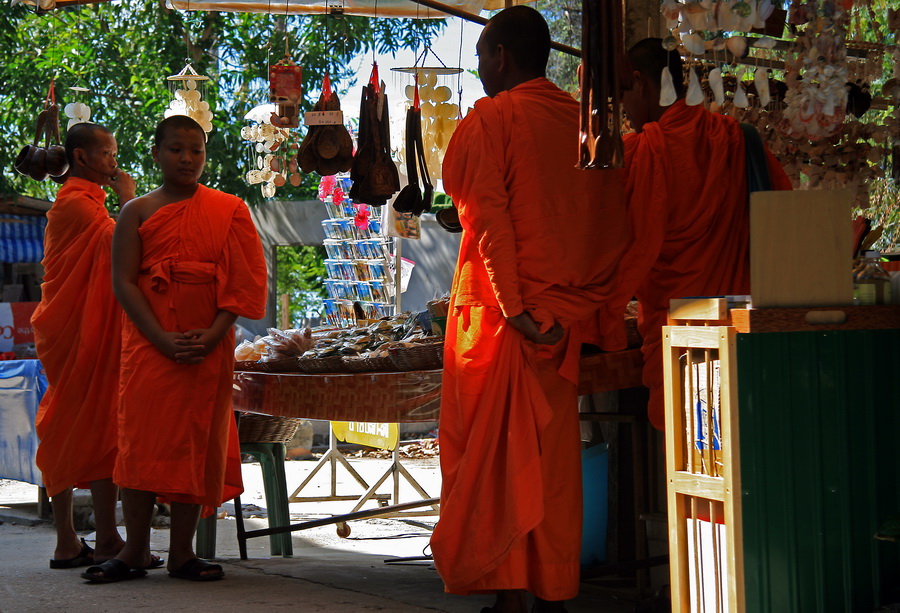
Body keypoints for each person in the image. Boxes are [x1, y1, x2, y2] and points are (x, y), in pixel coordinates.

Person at [429, 7, 629, 613]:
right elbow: (610, 227)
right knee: (551, 463)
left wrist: (515, 306)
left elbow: (487, 216)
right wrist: (579, 306)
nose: (479, 69)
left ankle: (511, 594)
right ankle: (553, 591)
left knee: (494, 461)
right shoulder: (586, 127)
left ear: (501, 57)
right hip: (558, 324)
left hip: (501, 321)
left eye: (480, 57)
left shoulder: (491, 119)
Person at [81, 115, 267, 583]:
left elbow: (245, 281)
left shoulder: (229, 209)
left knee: (195, 442)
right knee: (140, 444)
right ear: (156, 154)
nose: (187, 159)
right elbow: (124, 283)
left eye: (196, 151)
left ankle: (183, 552)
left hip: (208, 346)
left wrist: (215, 334)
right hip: (149, 344)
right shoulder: (136, 211)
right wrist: (161, 338)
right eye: (176, 149)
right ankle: (135, 551)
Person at [607, 38, 792, 431]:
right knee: (746, 442)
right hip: (744, 331)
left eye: (624, 93)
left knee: (695, 447)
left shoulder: (641, 153)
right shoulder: (736, 138)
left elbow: (616, 251)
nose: (623, 107)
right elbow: (784, 219)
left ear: (640, 83)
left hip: (678, 335)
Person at [32, 122, 145, 570]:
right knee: (74, 425)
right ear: (81, 158)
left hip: (87, 331)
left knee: (97, 427)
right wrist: (129, 199)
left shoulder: (85, 203)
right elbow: (125, 247)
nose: (114, 162)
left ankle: (103, 538)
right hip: (77, 333)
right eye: (107, 154)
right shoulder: (78, 206)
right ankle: (68, 539)